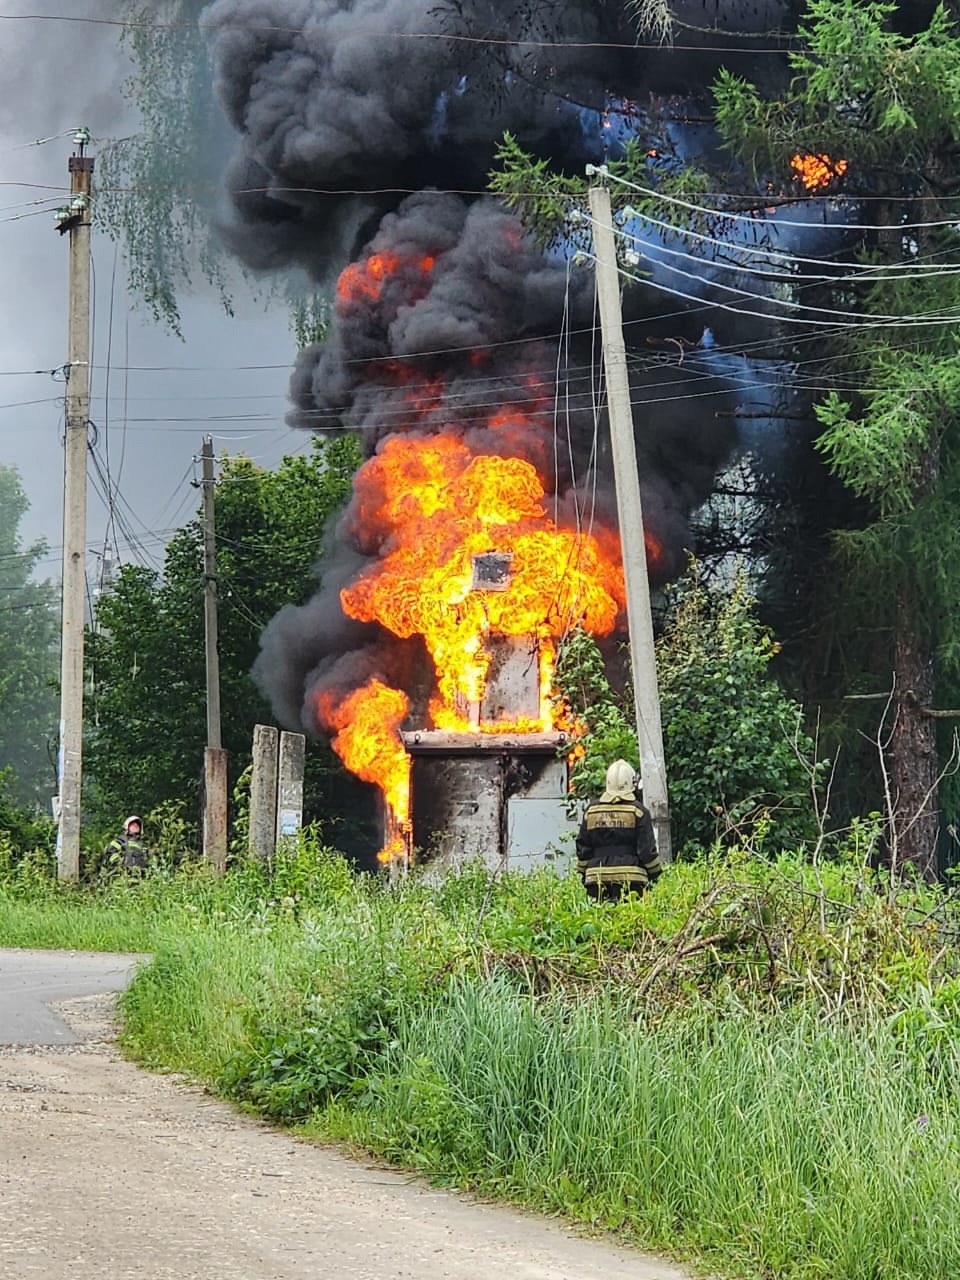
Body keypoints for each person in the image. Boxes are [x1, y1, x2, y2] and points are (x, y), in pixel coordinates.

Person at [576, 759, 662, 901]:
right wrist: (655, 874)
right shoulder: (638, 811)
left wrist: (584, 873)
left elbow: (583, 848)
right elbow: (646, 851)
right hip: (632, 879)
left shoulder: (591, 811)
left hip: (596, 878)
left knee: (599, 914)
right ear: (631, 783)